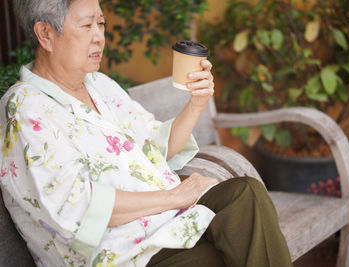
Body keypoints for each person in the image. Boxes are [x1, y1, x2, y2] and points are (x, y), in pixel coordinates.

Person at [0, 0, 292, 266]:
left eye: (101, 23)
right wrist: (175, 196)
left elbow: (156, 145)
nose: (99, 36)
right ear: (46, 34)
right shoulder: (26, 108)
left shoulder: (98, 85)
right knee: (218, 258)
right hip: (124, 253)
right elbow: (77, 209)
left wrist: (196, 104)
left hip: (168, 220)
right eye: (87, 25)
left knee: (246, 194)